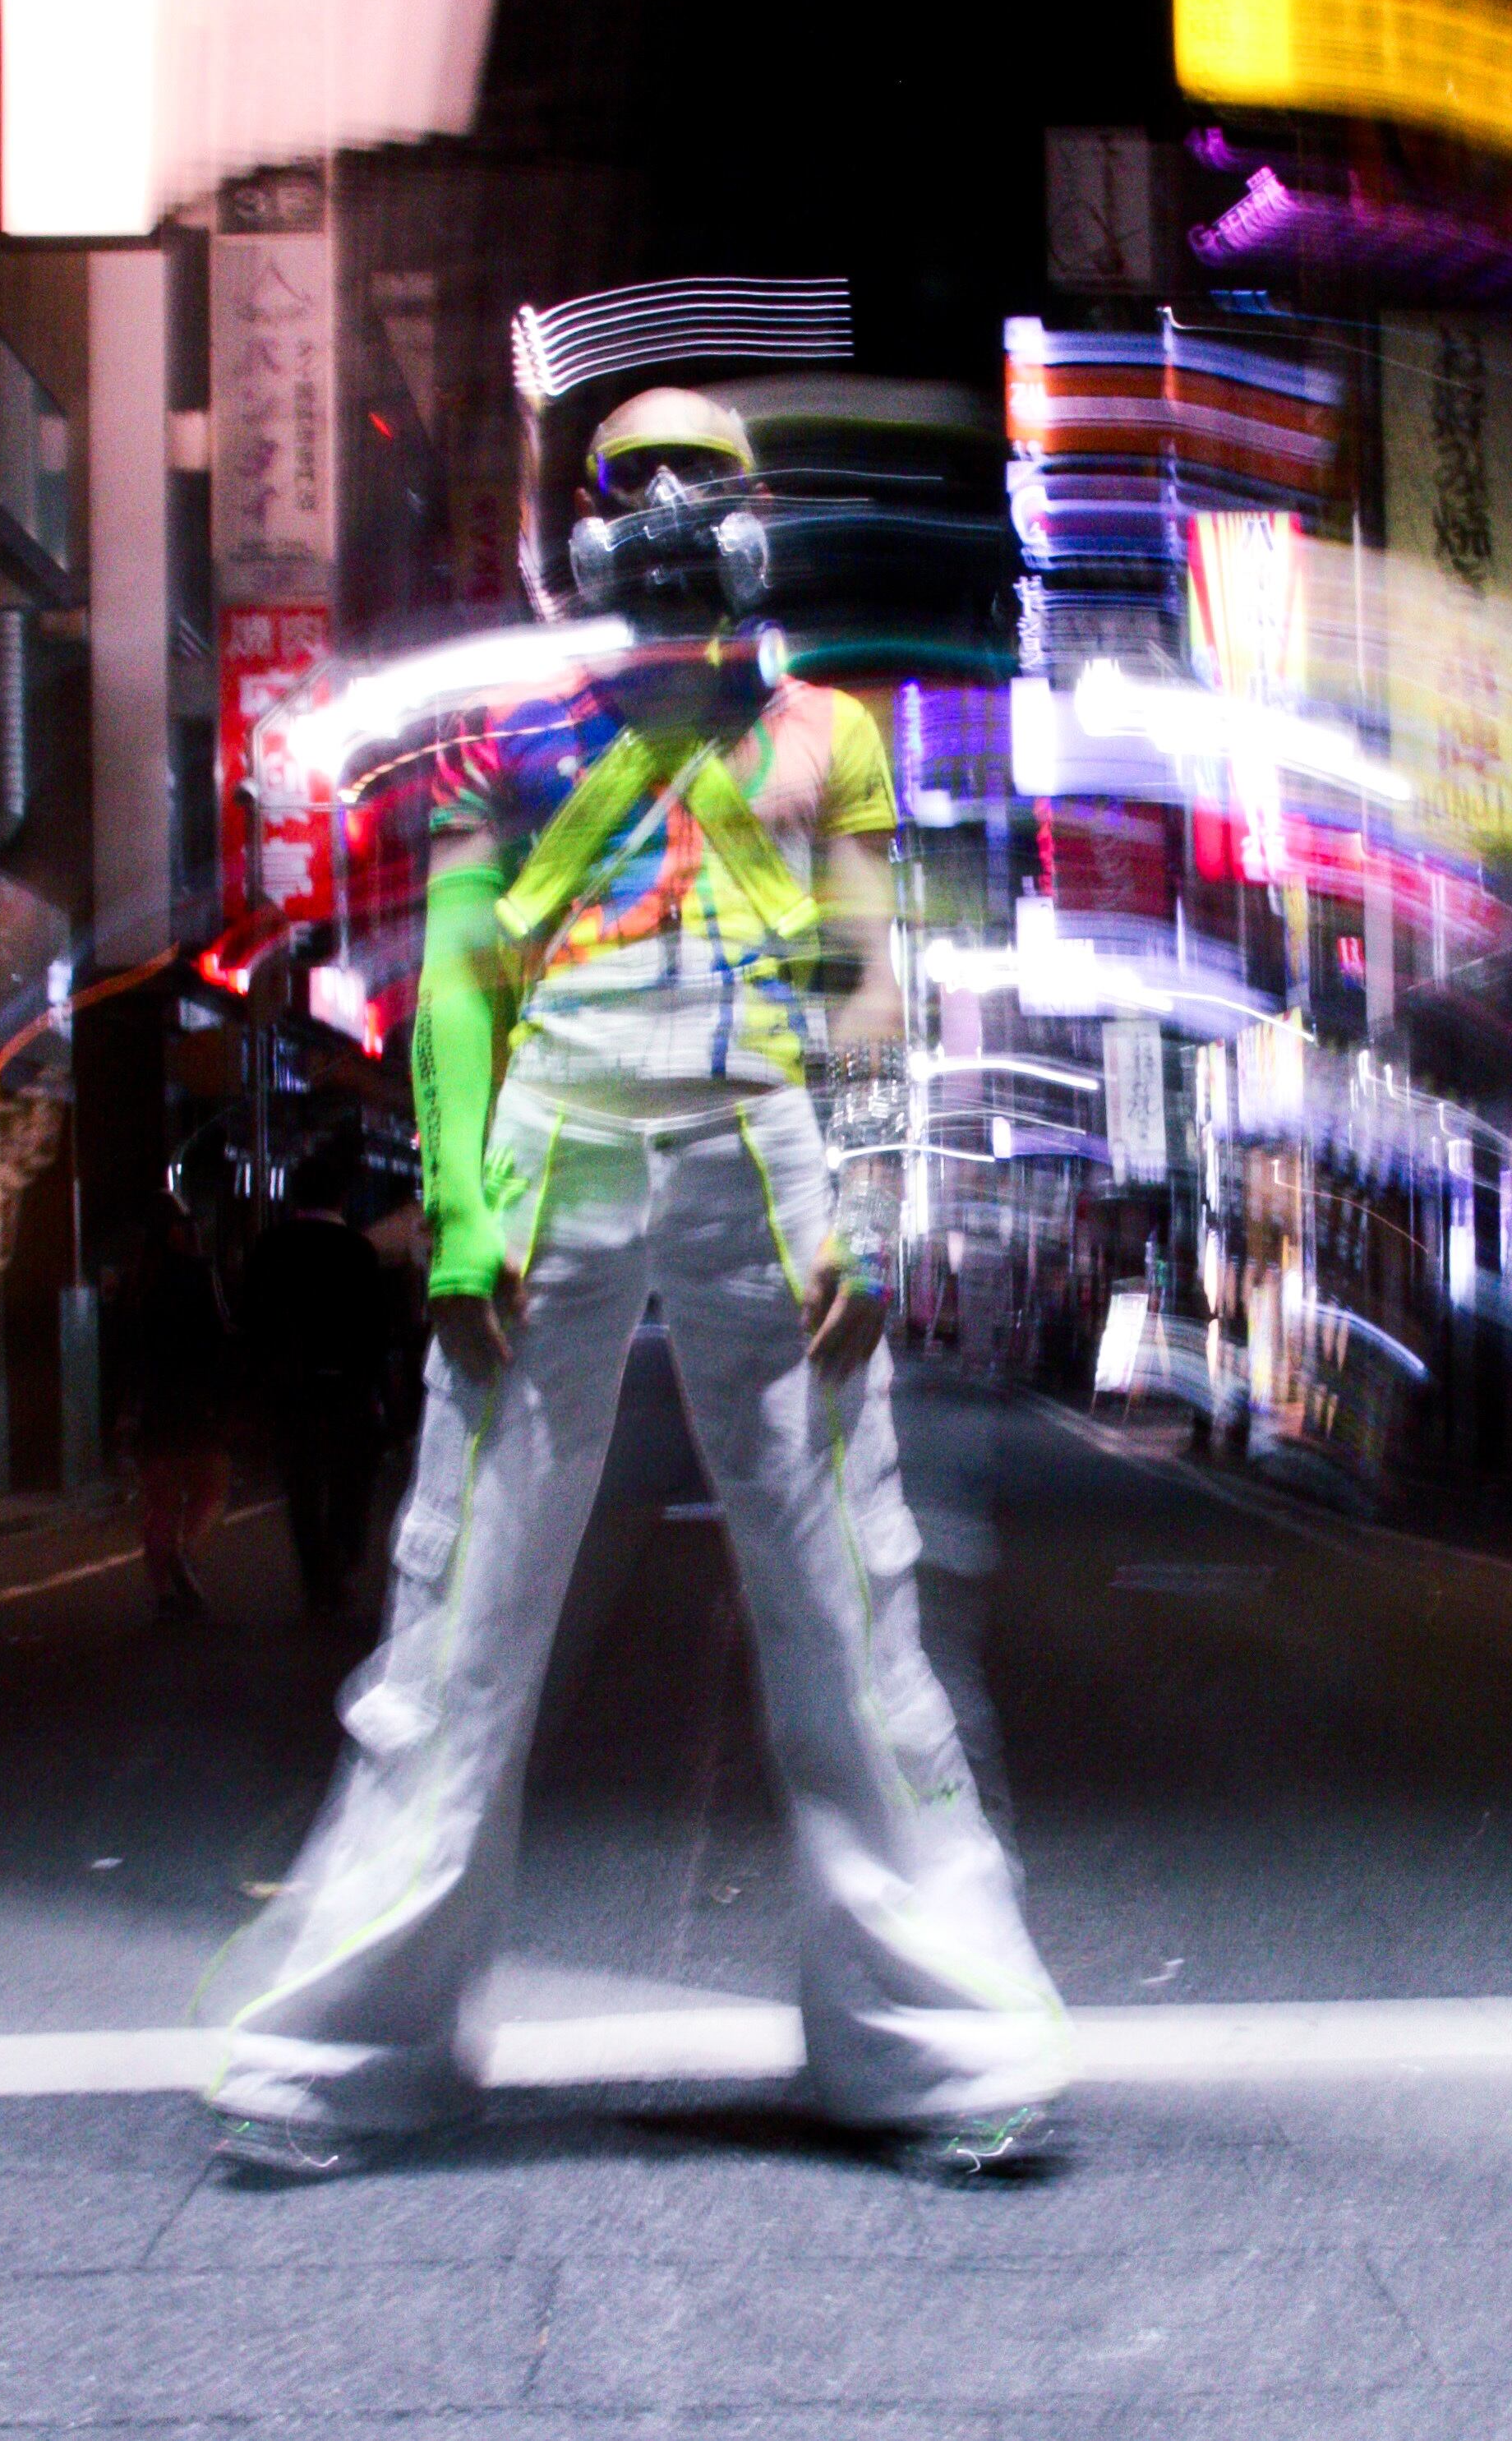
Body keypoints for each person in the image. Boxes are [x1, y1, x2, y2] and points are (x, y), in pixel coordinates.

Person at [205, 384, 1067, 2178]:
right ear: (582, 521)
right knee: (462, 1599)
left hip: (763, 1131)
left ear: (757, 510)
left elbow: (862, 976)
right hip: (562, 1130)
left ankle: (938, 2046)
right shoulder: (516, 739)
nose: (669, 506)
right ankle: (341, 2050)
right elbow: (459, 982)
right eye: (633, 481)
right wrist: (462, 1211)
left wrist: (865, 1204)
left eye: (703, 477)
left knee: (848, 1597)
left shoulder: (824, 733)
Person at [244, 1138, 392, 1617]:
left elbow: (253, 1324)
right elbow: (376, 1327)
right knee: (351, 1480)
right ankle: (342, 1560)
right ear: (341, 1197)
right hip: (349, 1387)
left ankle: (316, 1576)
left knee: (302, 1485)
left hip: (290, 1389)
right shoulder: (359, 1251)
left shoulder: (269, 1249)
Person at [125, 1190, 232, 1622]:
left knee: (160, 1503)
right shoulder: (199, 1273)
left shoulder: (138, 1281)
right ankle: (185, 1556)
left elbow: (126, 1349)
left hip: (152, 1404)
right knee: (212, 1488)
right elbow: (219, 1334)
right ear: (176, 1232)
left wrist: (127, 1407)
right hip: (196, 1399)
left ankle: (164, 1592)